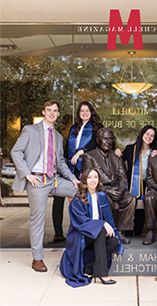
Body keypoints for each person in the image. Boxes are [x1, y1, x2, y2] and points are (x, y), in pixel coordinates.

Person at [11, 100, 80, 272]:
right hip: (37, 180)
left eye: (55, 111)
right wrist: (27, 174)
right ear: (43, 112)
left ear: (57, 114)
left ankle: (83, 238)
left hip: (54, 179)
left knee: (81, 191)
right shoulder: (30, 130)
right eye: (49, 110)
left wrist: (73, 179)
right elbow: (15, 151)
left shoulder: (57, 136)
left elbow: (61, 163)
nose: (52, 113)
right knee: (38, 219)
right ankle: (38, 259)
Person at [60, 168, 124, 287]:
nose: (93, 180)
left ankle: (89, 268)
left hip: (96, 235)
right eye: (89, 177)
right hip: (81, 235)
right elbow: (81, 222)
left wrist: (106, 225)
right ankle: (102, 274)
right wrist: (102, 224)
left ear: (99, 180)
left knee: (114, 241)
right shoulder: (79, 198)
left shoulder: (102, 196)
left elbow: (108, 218)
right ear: (84, 180)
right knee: (99, 230)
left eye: (95, 177)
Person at [52, 101, 102, 242]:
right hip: (68, 167)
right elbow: (68, 146)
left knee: (81, 200)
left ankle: (82, 232)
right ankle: (58, 232)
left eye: (87, 110)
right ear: (79, 113)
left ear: (91, 112)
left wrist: (81, 152)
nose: (84, 113)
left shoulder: (97, 128)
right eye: (82, 111)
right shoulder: (74, 128)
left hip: (84, 168)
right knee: (58, 196)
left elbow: (94, 144)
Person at [82, 127, 136, 244]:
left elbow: (123, 177)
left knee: (130, 198)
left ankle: (120, 232)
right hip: (100, 190)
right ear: (98, 140)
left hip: (116, 189)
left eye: (111, 139)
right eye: (105, 139)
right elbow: (88, 180)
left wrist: (121, 190)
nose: (109, 142)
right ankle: (108, 231)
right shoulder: (89, 156)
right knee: (105, 199)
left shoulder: (116, 156)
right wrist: (107, 190)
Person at [120, 125, 157, 235]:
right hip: (132, 184)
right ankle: (127, 234)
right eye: (147, 134)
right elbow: (118, 160)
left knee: (141, 212)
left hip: (147, 185)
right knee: (131, 207)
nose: (149, 137)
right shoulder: (130, 149)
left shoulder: (155, 152)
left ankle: (138, 234)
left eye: (152, 136)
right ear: (142, 134)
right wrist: (117, 151)